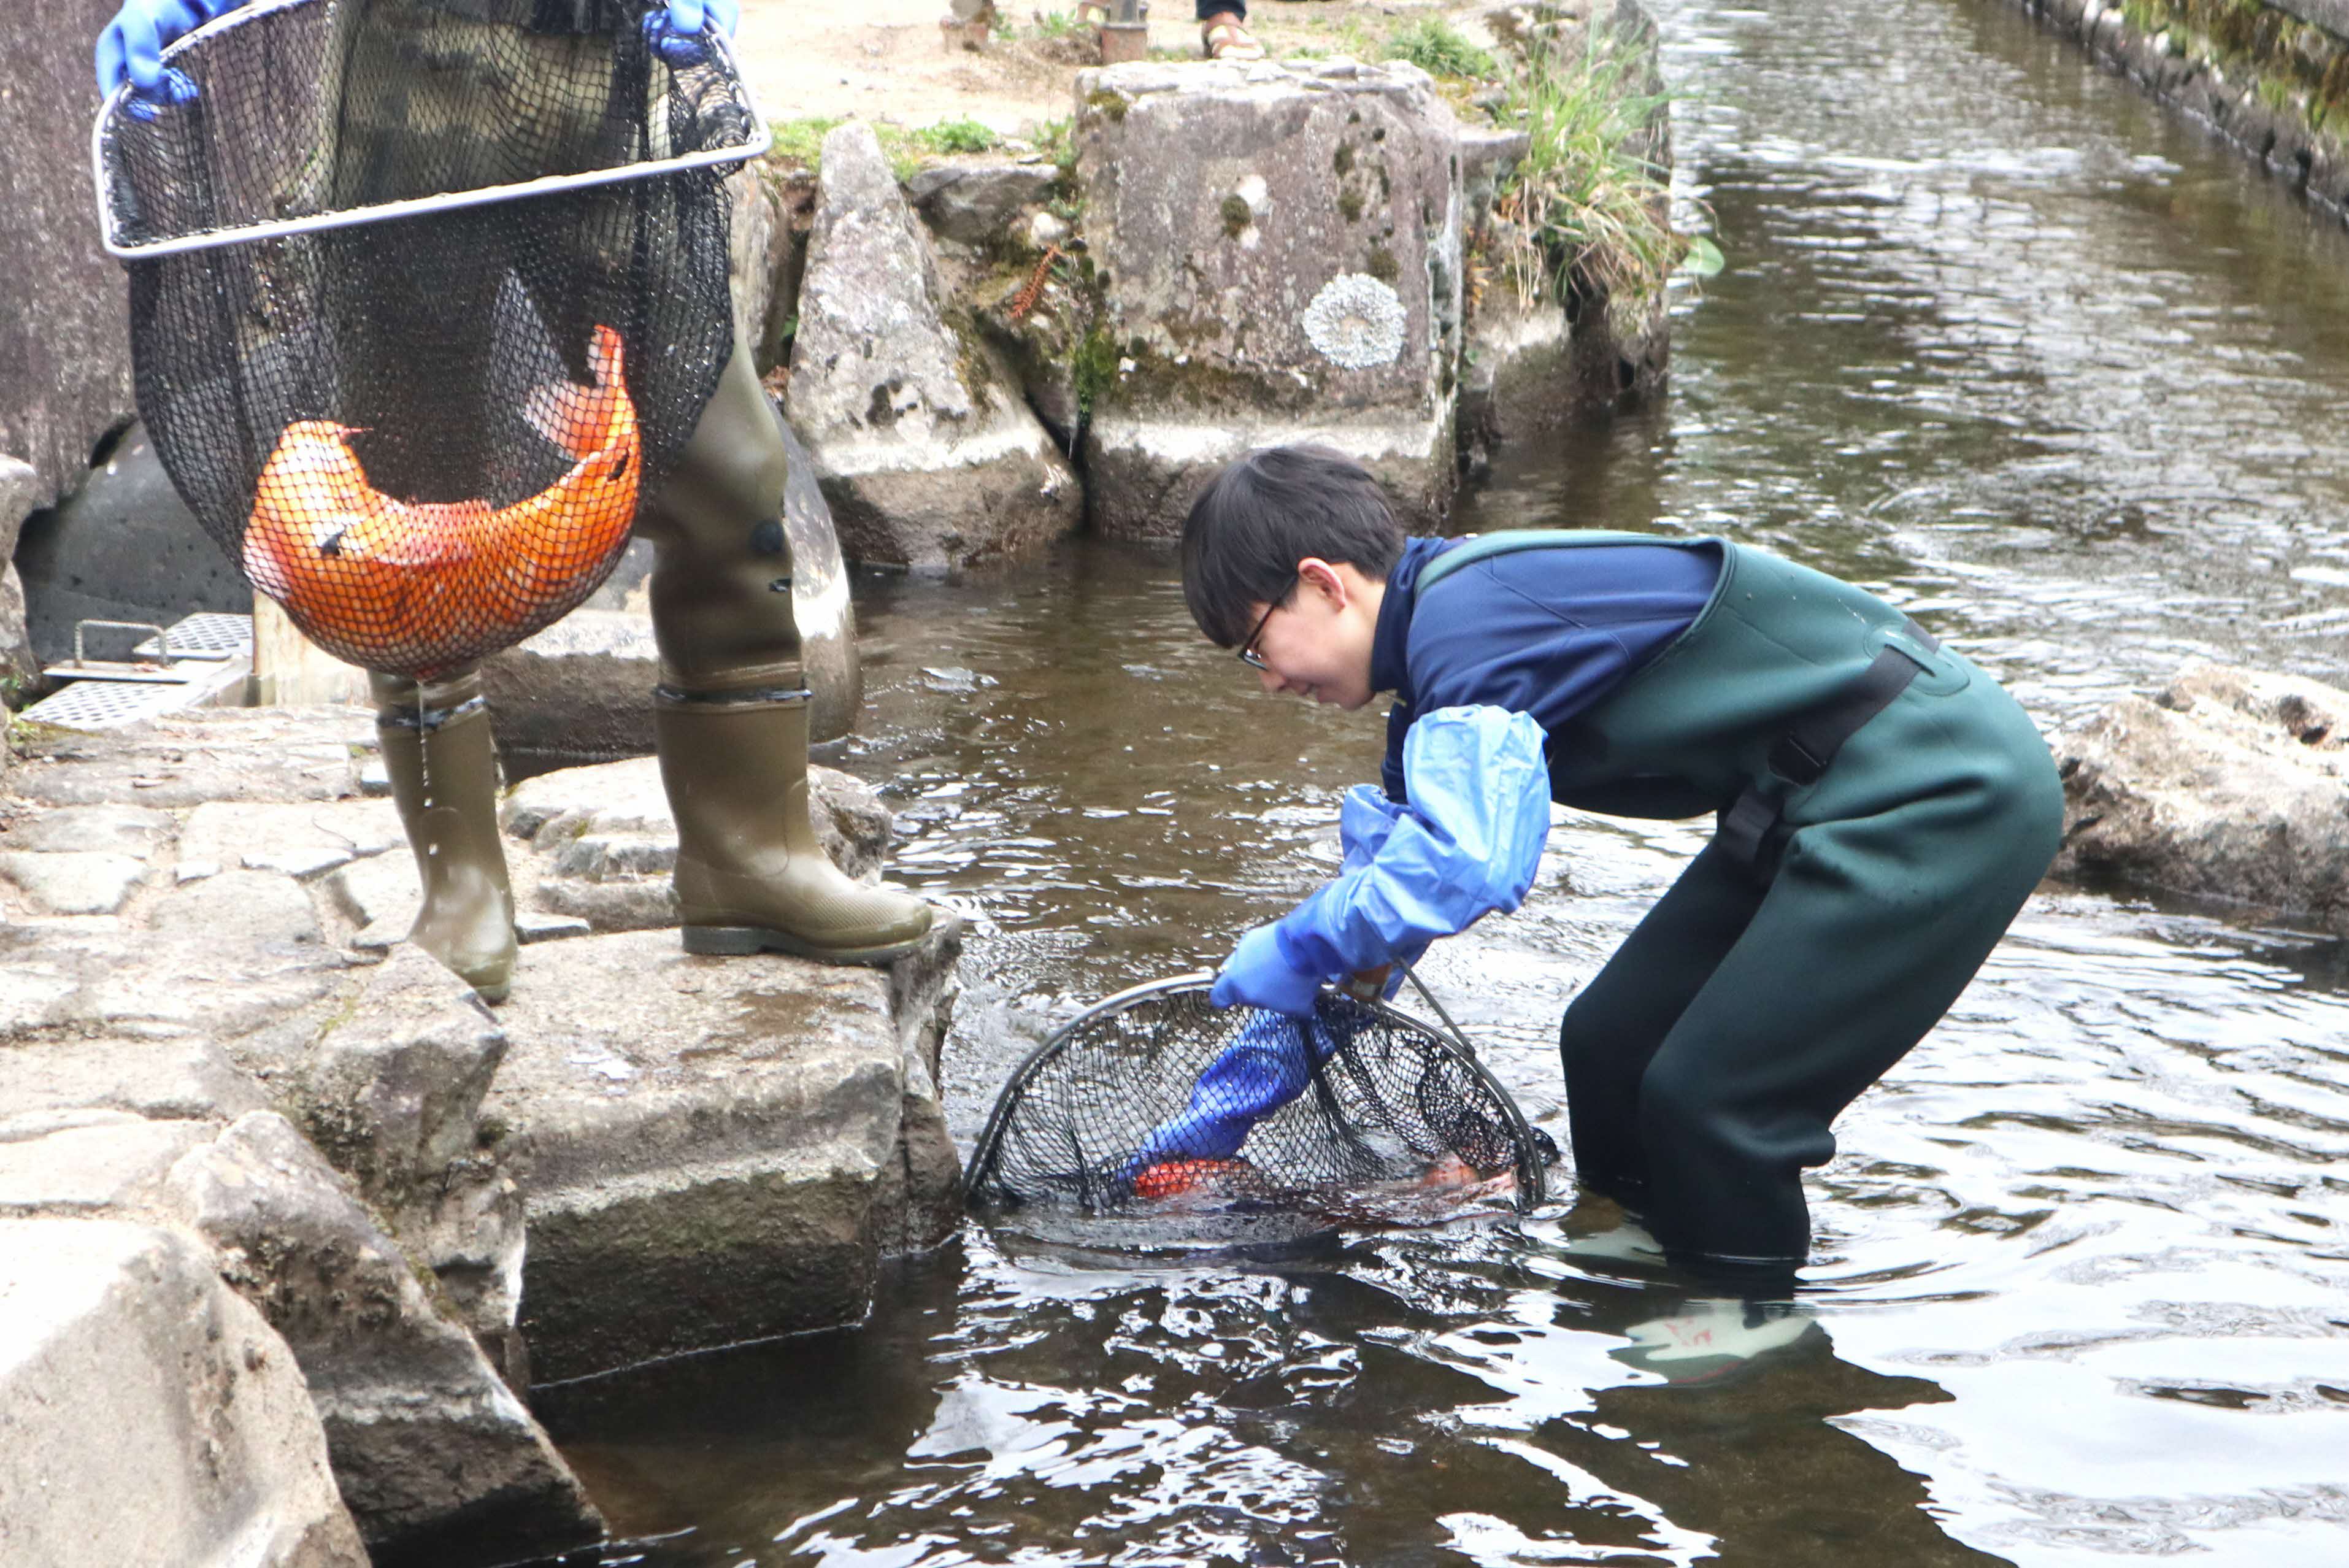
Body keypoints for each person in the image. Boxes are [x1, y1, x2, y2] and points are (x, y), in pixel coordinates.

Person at [98, 0, 950, 1003]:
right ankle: (462, 890)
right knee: (409, 517)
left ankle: (751, 860)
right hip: (411, 87)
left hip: (608, 81)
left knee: (730, 475)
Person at [1182, 445, 2063, 1282]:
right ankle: (1637, 1256)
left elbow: (1470, 863)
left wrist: (1297, 943)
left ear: (1321, 584)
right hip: (1805, 796)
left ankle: (1747, 1328)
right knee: (1608, 1045)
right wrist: (1215, 1118)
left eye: (1256, 647)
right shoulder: (1435, 686)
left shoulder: (1469, 626)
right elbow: (1374, 945)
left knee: (1713, 1104)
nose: (1266, 681)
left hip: (1940, 789)